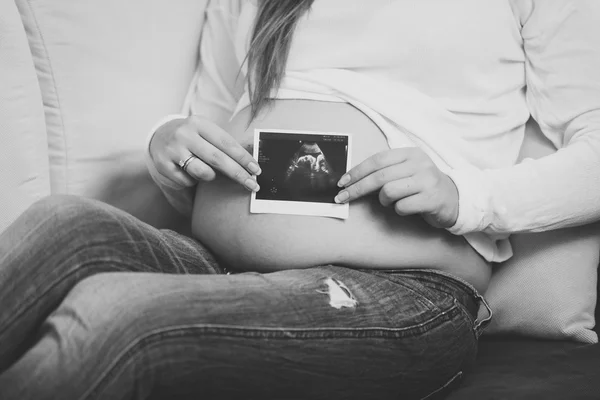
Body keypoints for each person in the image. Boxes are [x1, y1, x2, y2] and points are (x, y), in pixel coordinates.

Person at [1, 0, 599, 398]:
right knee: (62, 224)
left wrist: (469, 196)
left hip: (404, 287)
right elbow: (207, 123)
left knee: (117, 313)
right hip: (215, 256)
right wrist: (170, 142)